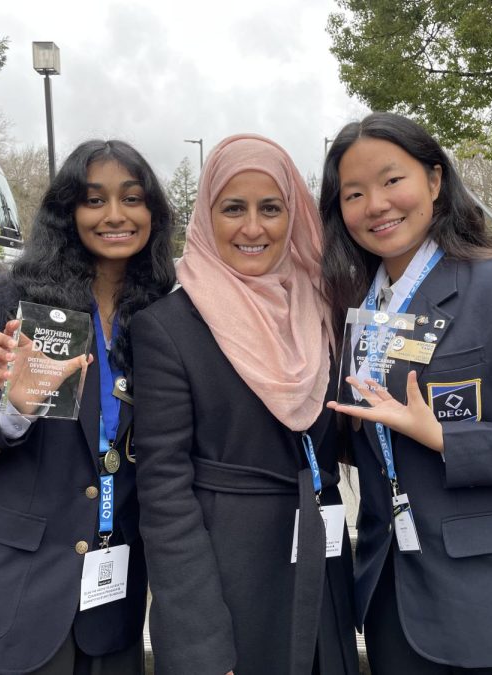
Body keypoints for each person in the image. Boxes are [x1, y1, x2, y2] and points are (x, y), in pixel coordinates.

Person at [319, 112, 492, 674]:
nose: (376, 204)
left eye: (391, 180)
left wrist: (446, 438)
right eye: (354, 193)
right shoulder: (352, 310)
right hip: (392, 599)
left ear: (434, 180)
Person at [0, 139, 175, 674]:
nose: (115, 215)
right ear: (67, 211)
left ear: (153, 213)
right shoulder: (8, 297)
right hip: (13, 591)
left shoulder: (163, 312)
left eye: (132, 199)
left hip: (113, 596)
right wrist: (12, 409)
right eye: (94, 200)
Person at [132, 135, 358, 675]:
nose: (253, 228)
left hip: (320, 567)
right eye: (233, 208)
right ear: (207, 218)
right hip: (230, 583)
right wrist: (199, 637)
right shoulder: (168, 328)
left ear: (294, 214)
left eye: (270, 208)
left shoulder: (325, 309)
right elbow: (164, 491)